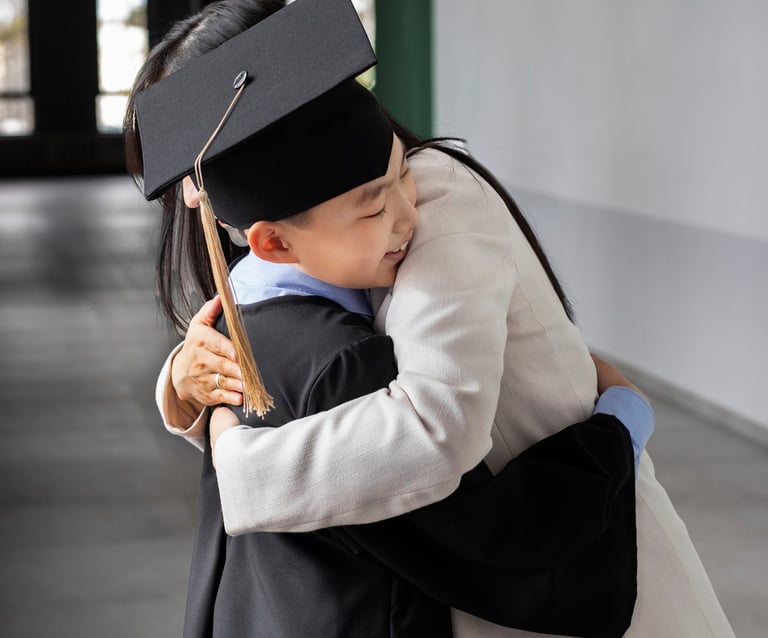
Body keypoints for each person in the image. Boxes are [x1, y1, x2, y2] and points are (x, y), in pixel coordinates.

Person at [133, 1, 730, 637]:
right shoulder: (290, 247)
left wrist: (241, 465)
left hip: (588, 535)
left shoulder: (429, 197)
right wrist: (181, 384)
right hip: (511, 549)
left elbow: (435, 425)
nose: (194, 185)